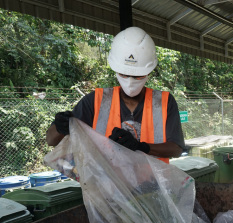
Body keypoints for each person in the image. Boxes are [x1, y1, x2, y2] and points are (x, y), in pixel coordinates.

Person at [46, 27, 185, 163]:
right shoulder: (96, 101)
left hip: (152, 184)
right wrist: (59, 126)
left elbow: (176, 148)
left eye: (137, 76)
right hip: (106, 184)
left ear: (148, 72)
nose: (130, 81)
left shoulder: (164, 102)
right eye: (124, 74)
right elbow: (51, 140)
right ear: (115, 69)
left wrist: (141, 146)